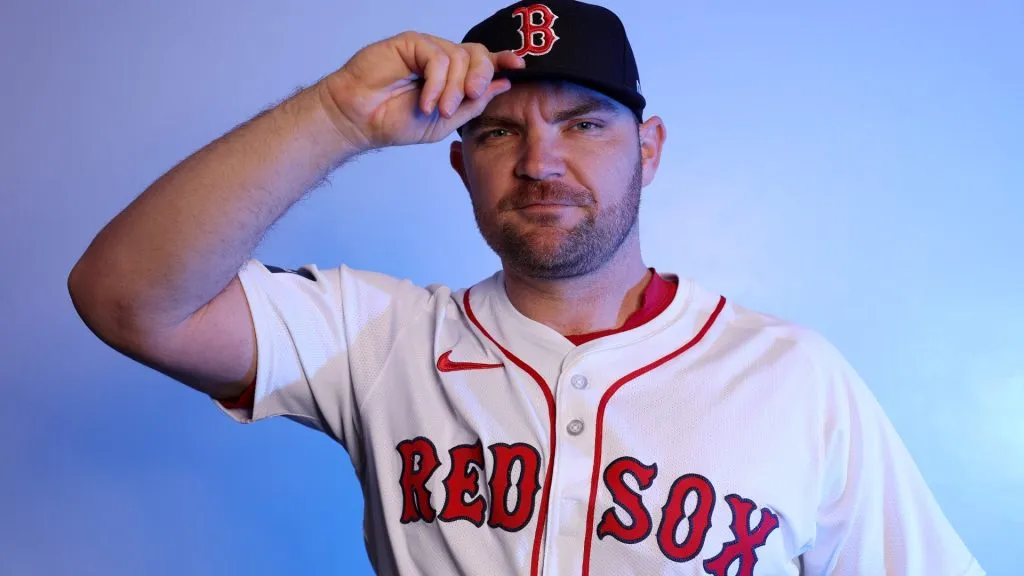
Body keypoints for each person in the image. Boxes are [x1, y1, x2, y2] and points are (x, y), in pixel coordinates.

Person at [68, 1, 984, 574]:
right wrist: (336, 114)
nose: (542, 163)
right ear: (459, 164)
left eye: (583, 124)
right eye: (502, 133)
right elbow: (125, 297)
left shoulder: (792, 377)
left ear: (649, 150)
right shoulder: (380, 338)